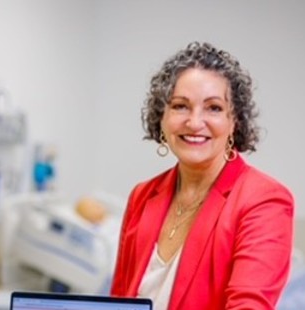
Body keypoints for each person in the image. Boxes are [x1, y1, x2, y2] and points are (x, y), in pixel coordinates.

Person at [110, 42, 294, 309]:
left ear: (235, 122)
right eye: (180, 106)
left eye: (214, 108)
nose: (195, 122)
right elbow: (117, 302)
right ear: (161, 118)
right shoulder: (143, 196)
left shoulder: (264, 201)